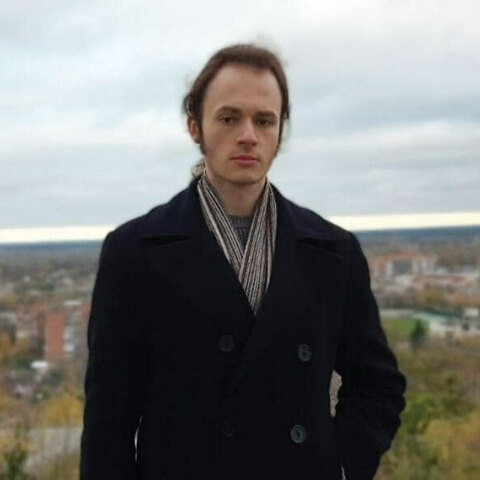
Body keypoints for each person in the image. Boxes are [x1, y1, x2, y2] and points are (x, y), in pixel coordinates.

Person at [80, 43, 406, 480]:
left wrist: (340, 465)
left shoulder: (333, 252)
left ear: (280, 131)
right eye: (229, 118)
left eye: (264, 120)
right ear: (195, 126)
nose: (248, 135)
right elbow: (108, 424)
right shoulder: (134, 252)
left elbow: (378, 384)